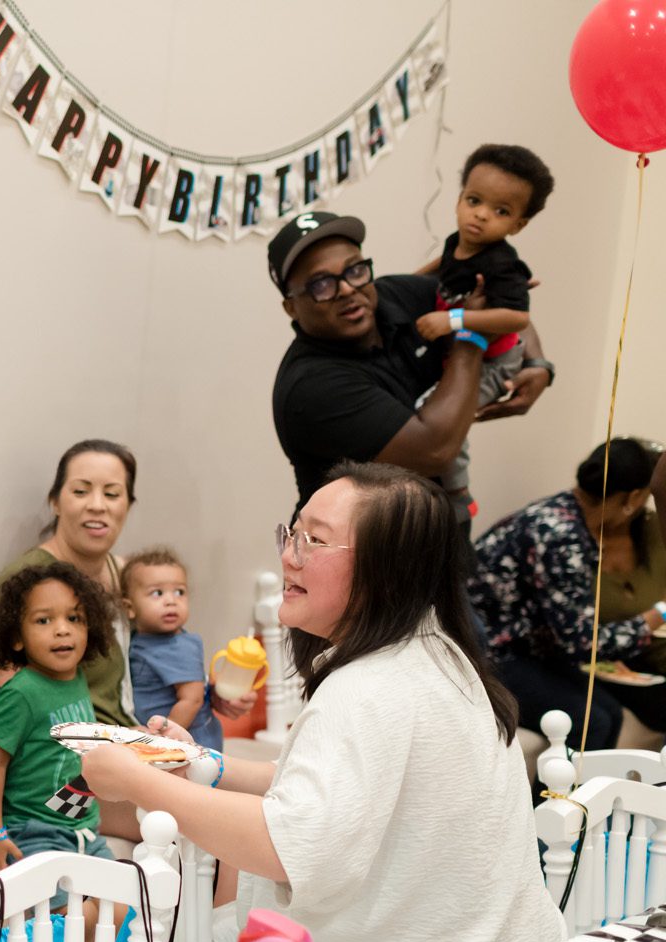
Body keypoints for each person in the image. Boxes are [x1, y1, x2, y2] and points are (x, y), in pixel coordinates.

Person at [77, 462, 562, 942]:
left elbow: (287, 846)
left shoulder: (367, 689)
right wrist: (204, 764)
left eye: (314, 541)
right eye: (292, 533)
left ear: (385, 569)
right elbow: (344, 792)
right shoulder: (440, 654)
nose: (289, 555)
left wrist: (135, 781)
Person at [266, 210, 552, 530]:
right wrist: (470, 336)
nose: (347, 289)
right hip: (355, 559)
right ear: (291, 306)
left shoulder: (395, 297)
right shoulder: (312, 387)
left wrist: (537, 363)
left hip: (437, 538)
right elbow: (435, 450)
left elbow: (498, 304)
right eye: (321, 284)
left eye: (355, 270)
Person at [471, 438, 666, 750]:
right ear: (633, 497)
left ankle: (584, 797)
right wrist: (657, 616)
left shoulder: (564, 511)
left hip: (529, 649)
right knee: (593, 721)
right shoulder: (560, 536)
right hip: (491, 652)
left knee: (611, 714)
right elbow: (582, 643)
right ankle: (551, 800)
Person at [412, 144, 555, 521]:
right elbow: (443, 264)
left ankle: (459, 495)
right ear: (459, 198)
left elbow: (515, 319)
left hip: (496, 362)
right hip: (461, 354)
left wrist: (453, 321)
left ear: (518, 224)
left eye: (500, 211)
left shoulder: (502, 265)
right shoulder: (458, 241)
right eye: (474, 200)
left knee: (442, 418)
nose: (480, 215)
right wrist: (407, 283)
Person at [0, 439, 139, 727]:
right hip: (67, 754)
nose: (97, 505)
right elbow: (4, 705)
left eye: (112, 494)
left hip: (129, 734)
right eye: (80, 491)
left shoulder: (123, 572)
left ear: (128, 505)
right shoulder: (27, 580)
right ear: (55, 502)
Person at [0, 561, 112, 874]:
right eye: (44, 620)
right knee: (59, 915)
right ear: (17, 637)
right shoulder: (22, 693)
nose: (62, 628)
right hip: (34, 831)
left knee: (124, 904)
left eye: (74, 617)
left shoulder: (76, 679)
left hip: (85, 828)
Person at [122, 547, 222, 753]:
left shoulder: (180, 646)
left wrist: (163, 740)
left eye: (179, 592)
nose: (171, 601)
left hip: (190, 742)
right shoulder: (141, 639)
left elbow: (191, 700)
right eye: (157, 593)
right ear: (129, 608)